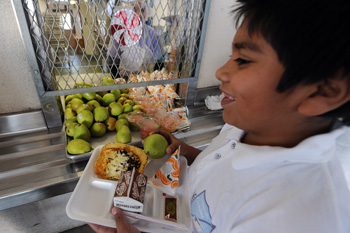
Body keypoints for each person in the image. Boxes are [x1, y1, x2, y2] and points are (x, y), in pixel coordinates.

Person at [89, 0, 350, 232]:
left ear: (321, 92)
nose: (220, 72)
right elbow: (223, 168)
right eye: (231, 56)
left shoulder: (293, 219)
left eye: (244, 60)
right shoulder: (244, 127)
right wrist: (187, 151)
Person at [107, 0, 163, 79]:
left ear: (146, 13)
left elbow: (160, 61)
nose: (138, 14)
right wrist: (120, 84)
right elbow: (111, 62)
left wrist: (153, 81)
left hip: (146, 81)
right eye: (134, 9)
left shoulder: (151, 34)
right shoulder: (119, 32)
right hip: (124, 80)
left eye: (142, 10)